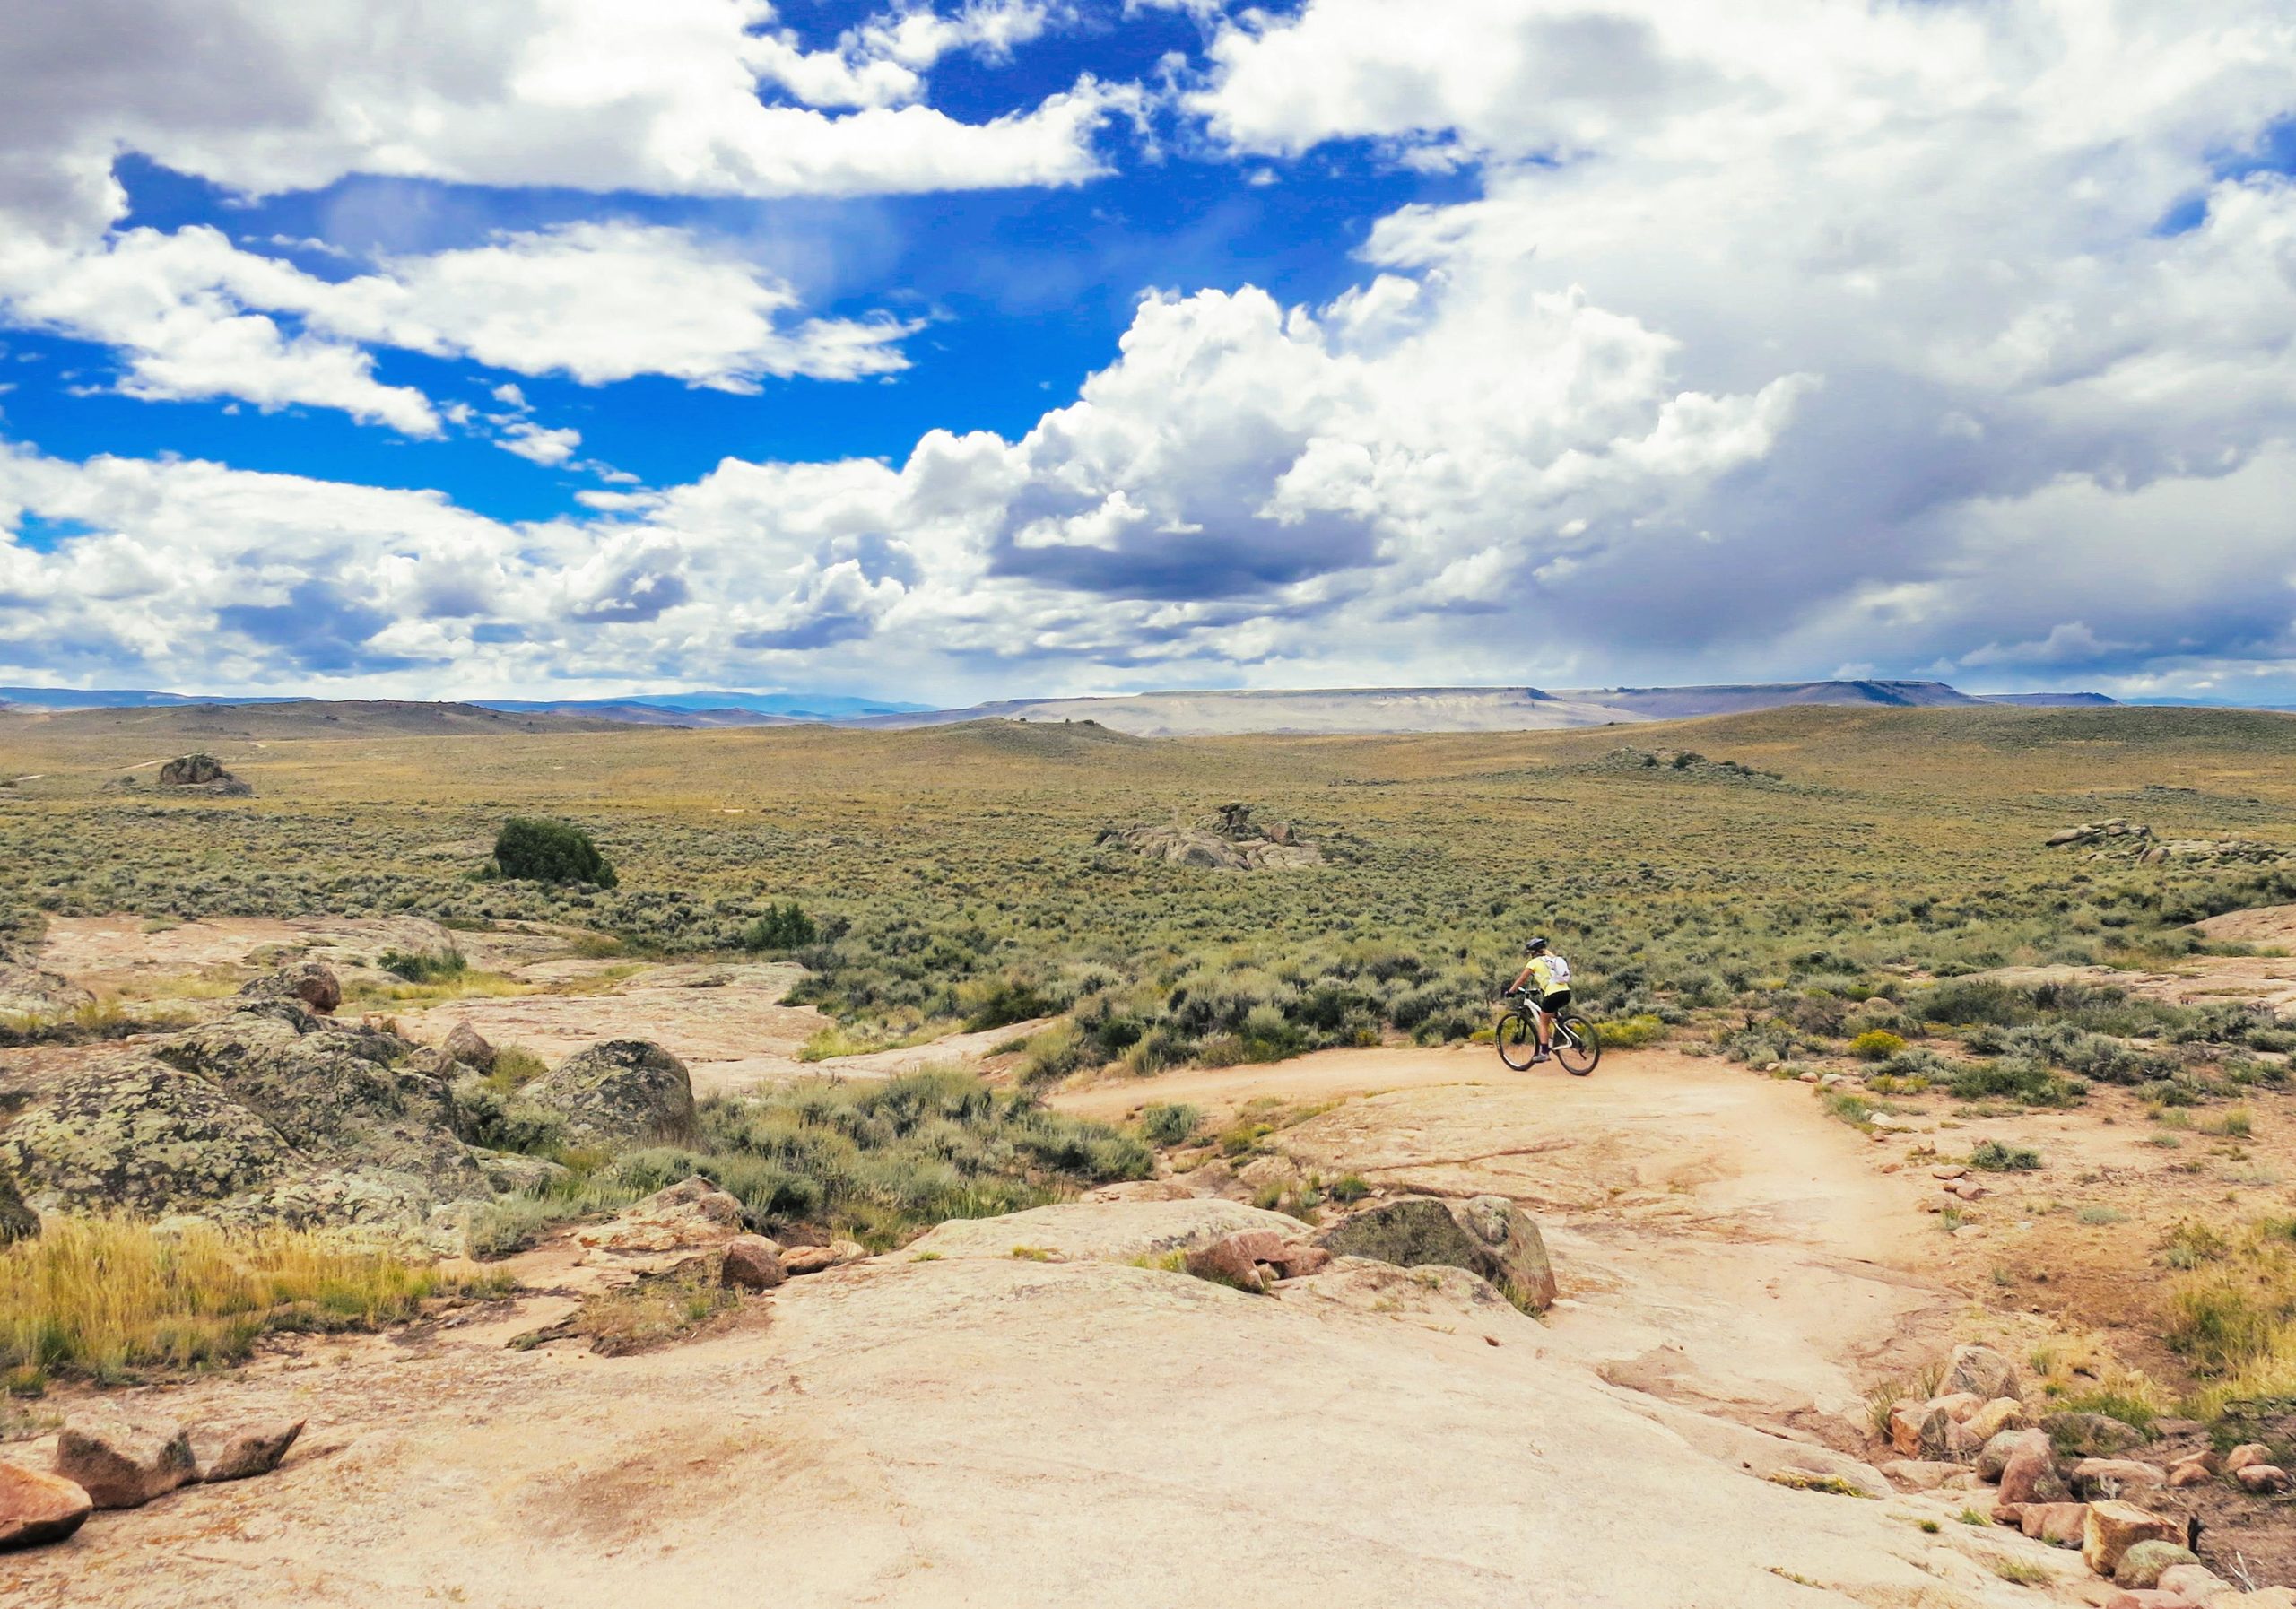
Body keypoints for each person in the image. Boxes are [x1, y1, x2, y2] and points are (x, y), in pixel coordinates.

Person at [1504, 936, 1572, 1065]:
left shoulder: (1534, 963)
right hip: (1565, 992)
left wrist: (1511, 991)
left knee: (1543, 1021)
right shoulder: (1551, 959)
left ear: (1533, 952)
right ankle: (1565, 1027)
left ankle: (1544, 1052)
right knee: (1551, 1012)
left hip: (1552, 994)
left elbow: (1522, 979)